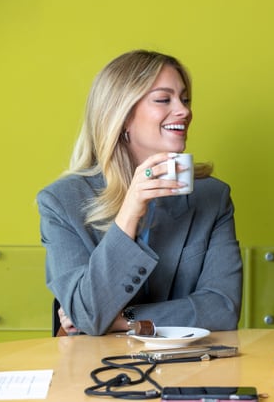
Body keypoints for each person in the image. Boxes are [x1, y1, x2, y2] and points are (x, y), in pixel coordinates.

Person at [37, 50, 242, 336]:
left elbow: (222, 309)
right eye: (163, 99)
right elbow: (88, 312)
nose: (184, 111)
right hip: (97, 371)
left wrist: (127, 320)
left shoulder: (212, 197)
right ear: (121, 116)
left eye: (184, 99)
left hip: (189, 371)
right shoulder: (61, 202)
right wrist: (130, 212)